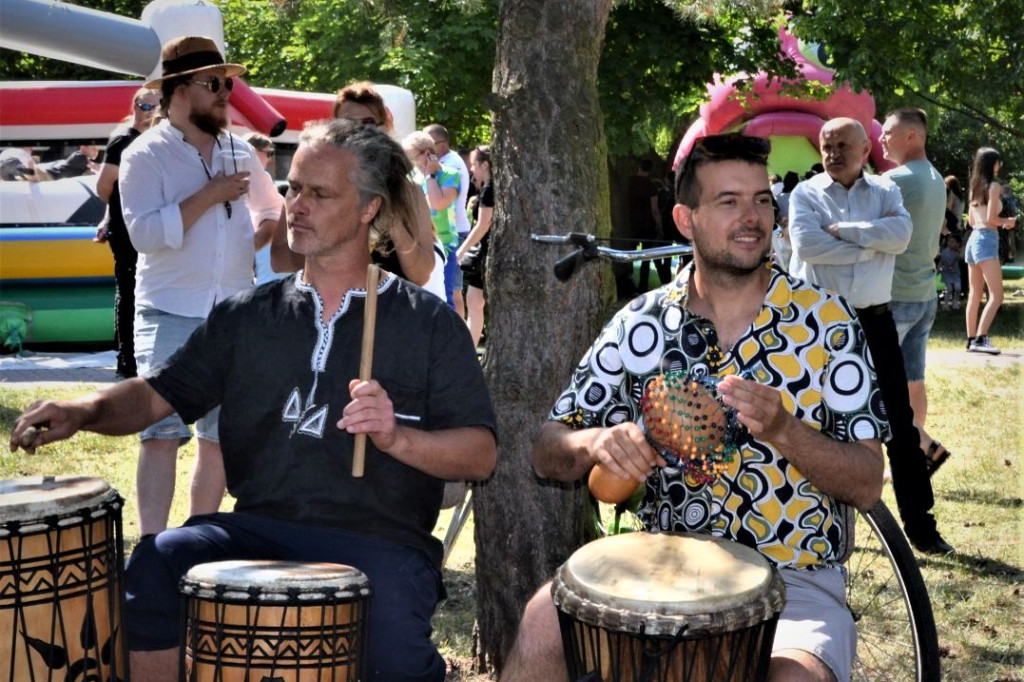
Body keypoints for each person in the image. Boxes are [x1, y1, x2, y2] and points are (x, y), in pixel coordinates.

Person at [10, 119, 498, 682]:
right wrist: (84, 411)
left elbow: (480, 453)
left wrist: (396, 437)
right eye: (293, 189)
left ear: (368, 209)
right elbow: (156, 396)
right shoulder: (247, 315)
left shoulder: (427, 323)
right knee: (157, 563)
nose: (296, 205)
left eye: (320, 193)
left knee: (396, 653)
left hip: (382, 542)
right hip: (259, 527)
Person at [502, 133, 886, 682]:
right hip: (661, 566)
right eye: (728, 202)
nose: (752, 217)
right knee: (543, 621)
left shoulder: (826, 322)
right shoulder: (642, 324)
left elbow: (867, 482)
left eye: (760, 200)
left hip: (793, 578)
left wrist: (783, 429)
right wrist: (595, 442)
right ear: (686, 220)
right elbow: (547, 450)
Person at [119, 36, 282, 536]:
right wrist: (209, 196)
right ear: (180, 90)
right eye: (214, 83)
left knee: (217, 439)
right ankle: (151, 546)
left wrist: (244, 250)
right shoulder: (145, 154)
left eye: (228, 83)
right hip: (168, 311)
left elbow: (271, 210)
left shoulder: (239, 149)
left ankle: (196, 543)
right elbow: (144, 236)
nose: (226, 93)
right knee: (161, 434)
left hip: (232, 312)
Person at [788, 117, 951, 555]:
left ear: (864, 150)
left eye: (843, 144)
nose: (833, 153)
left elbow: (901, 236)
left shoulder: (885, 191)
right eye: (827, 146)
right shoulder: (806, 193)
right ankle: (813, 522)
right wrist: (871, 242)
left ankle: (921, 525)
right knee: (814, 421)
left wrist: (843, 232)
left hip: (875, 320)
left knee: (900, 421)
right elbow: (807, 247)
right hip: (818, 325)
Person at [269, 81, 438, 290]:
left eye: (368, 122)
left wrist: (393, 219)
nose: (358, 131)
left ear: (385, 126)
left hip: (389, 314)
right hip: (325, 309)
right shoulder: (308, 187)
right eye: (347, 123)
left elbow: (421, 275)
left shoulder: (406, 190)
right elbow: (279, 262)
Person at [880, 108, 951, 476]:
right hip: (923, 293)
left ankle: (921, 446)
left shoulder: (896, 180)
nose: (881, 139)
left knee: (879, 385)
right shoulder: (937, 177)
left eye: (887, 132)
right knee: (913, 379)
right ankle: (915, 453)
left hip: (896, 297)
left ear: (911, 136)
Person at [93, 87, 160, 378]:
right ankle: (127, 359)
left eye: (157, 107)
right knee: (130, 289)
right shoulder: (124, 141)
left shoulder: (157, 141)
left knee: (143, 289)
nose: (151, 112)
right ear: (135, 107)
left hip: (144, 224)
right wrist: (115, 215)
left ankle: (141, 354)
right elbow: (105, 187)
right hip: (128, 229)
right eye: (146, 106)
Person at [401, 131, 462, 309]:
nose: (411, 164)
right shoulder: (412, 178)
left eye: (413, 158)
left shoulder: (450, 174)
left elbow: (437, 203)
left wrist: (430, 175)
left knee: (446, 298)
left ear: (427, 153)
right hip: (421, 244)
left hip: (445, 244)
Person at [964, 147, 1016, 354]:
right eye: (997, 162)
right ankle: (981, 338)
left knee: (974, 294)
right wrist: (1007, 221)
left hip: (973, 239)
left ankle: (970, 340)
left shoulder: (974, 188)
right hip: (986, 239)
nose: (999, 166)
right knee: (997, 296)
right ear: (991, 164)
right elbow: (990, 220)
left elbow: (970, 220)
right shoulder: (994, 187)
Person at [425, 123, 472, 317]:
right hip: (452, 231)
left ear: (440, 144)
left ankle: (457, 340)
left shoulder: (450, 165)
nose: (425, 153)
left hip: (453, 233)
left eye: (428, 146)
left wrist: (430, 173)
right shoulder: (449, 161)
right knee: (453, 291)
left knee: (452, 292)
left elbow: (440, 202)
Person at [456, 145, 493, 347]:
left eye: (474, 165)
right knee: (474, 302)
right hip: (487, 252)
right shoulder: (491, 188)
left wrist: (461, 251)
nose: (471, 169)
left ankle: (468, 350)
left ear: (485, 164)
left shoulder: (489, 190)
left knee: (474, 303)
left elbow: (483, 225)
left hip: (485, 253)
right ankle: (469, 347)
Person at [243, 131, 288, 286]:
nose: (270, 159)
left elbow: (269, 230)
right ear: (253, 151)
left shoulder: (263, 189)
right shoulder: (259, 185)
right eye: (268, 153)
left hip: (270, 284)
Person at [627, 158, 671, 292]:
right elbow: (654, 209)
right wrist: (660, 226)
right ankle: (642, 285)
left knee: (628, 255)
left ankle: (628, 283)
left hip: (632, 223)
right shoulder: (651, 186)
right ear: (650, 171)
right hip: (647, 225)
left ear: (639, 167)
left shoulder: (629, 182)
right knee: (646, 257)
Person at [939, 234, 962, 310]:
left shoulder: (958, 253)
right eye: (949, 241)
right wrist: (939, 268)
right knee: (949, 289)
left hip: (955, 273)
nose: (949, 243)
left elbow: (961, 257)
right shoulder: (944, 252)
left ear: (957, 244)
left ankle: (955, 301)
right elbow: (941, 262)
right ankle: (946, 304)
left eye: (952, 242)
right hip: (947, 273)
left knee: (958, 288)